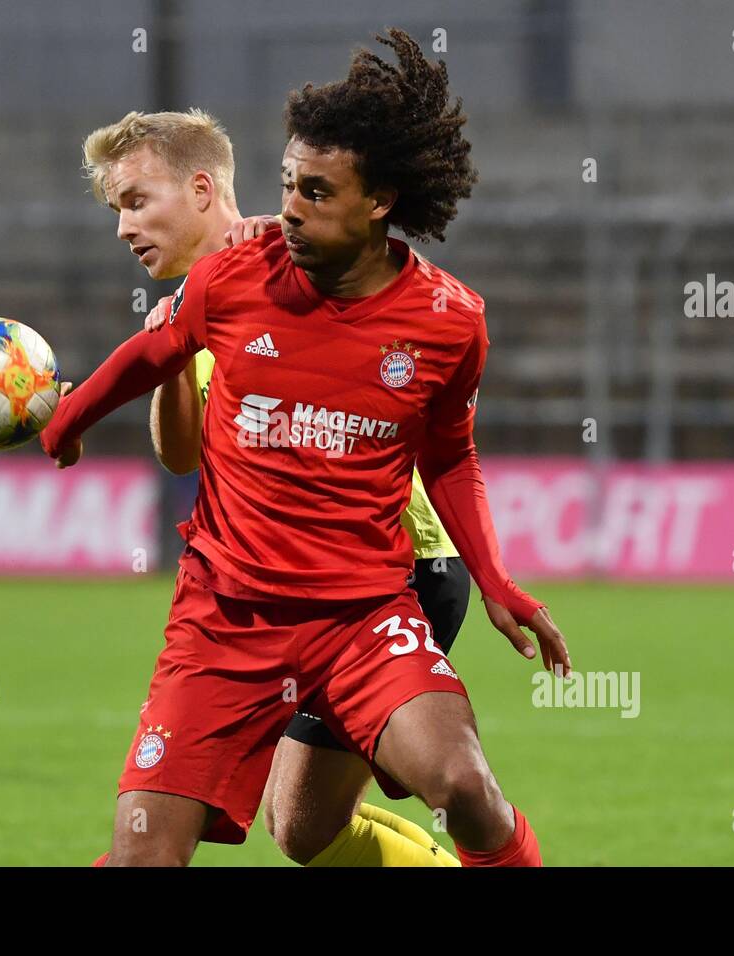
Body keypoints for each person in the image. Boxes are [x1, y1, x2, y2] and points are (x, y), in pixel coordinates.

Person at [46, 29, 571, 867]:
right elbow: (171, 424)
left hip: (385, 584)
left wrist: (498, 577)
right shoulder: (221, 285)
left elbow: (449, 454)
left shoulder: (443, 319)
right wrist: (77, 411)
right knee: (287, 834)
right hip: (229, 609)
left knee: (450, 791)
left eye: (137, 202)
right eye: (289, 185)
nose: (124, 227)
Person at [82, 108, 468, 865]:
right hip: (291, 587)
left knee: (311, 823)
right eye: (115, 212)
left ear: (201, 189)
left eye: (136, 202)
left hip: (395, 569)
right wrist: (170, 353)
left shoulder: (279, 260)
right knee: (303, 830)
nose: (124, 229)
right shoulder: (202, 298)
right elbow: (180, 457)